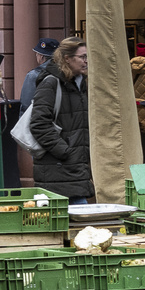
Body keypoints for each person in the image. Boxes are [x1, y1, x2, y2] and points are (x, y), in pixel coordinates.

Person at [29, 38, 91, 204]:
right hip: (58, 167)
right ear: (67, 58)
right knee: (75, 219)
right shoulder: (51, 82)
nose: (86, 61)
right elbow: (38, 124)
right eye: (82, 57)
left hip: (75, 168)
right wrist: (65, 151)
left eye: (87, 57)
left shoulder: (81, 84)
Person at [17, 37, 59, 113]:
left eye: (36, 54)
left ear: (41, 56)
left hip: (40, 118)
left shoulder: (33, 75)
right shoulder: (65, 72)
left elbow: (26, 105)